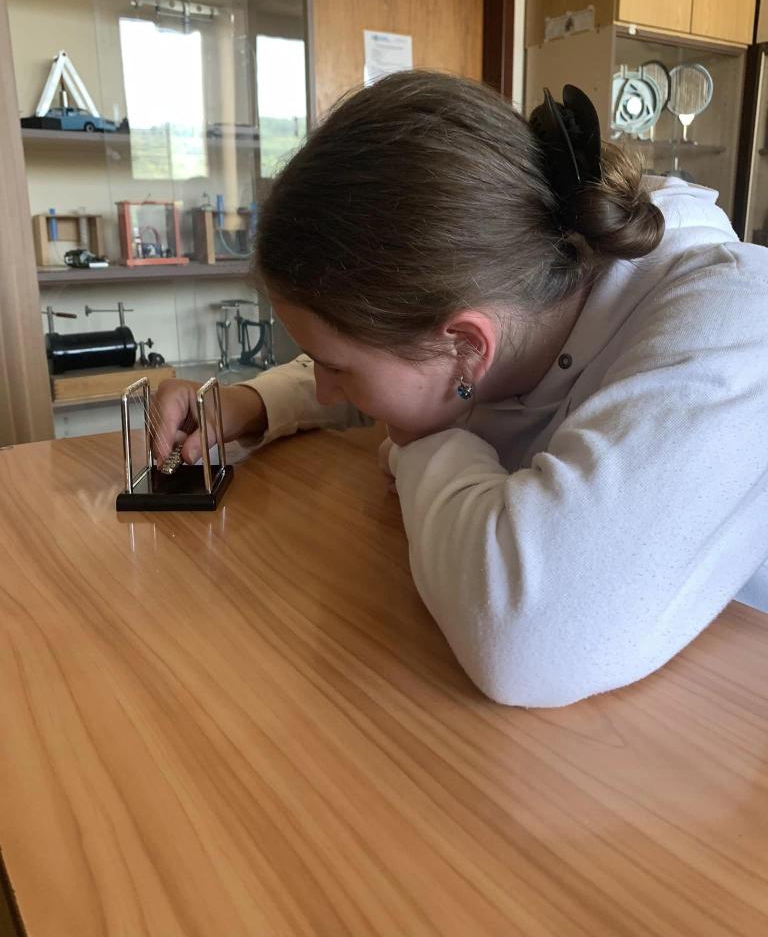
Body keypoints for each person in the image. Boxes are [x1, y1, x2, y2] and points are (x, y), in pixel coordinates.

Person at [155, 70, 768, 708]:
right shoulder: (520, 283)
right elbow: (402, 362)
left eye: (335, 367)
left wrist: (421, 443)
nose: (328, 388)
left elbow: (526, 638)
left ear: (468, 347)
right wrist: (255, 403)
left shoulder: (735, 326)